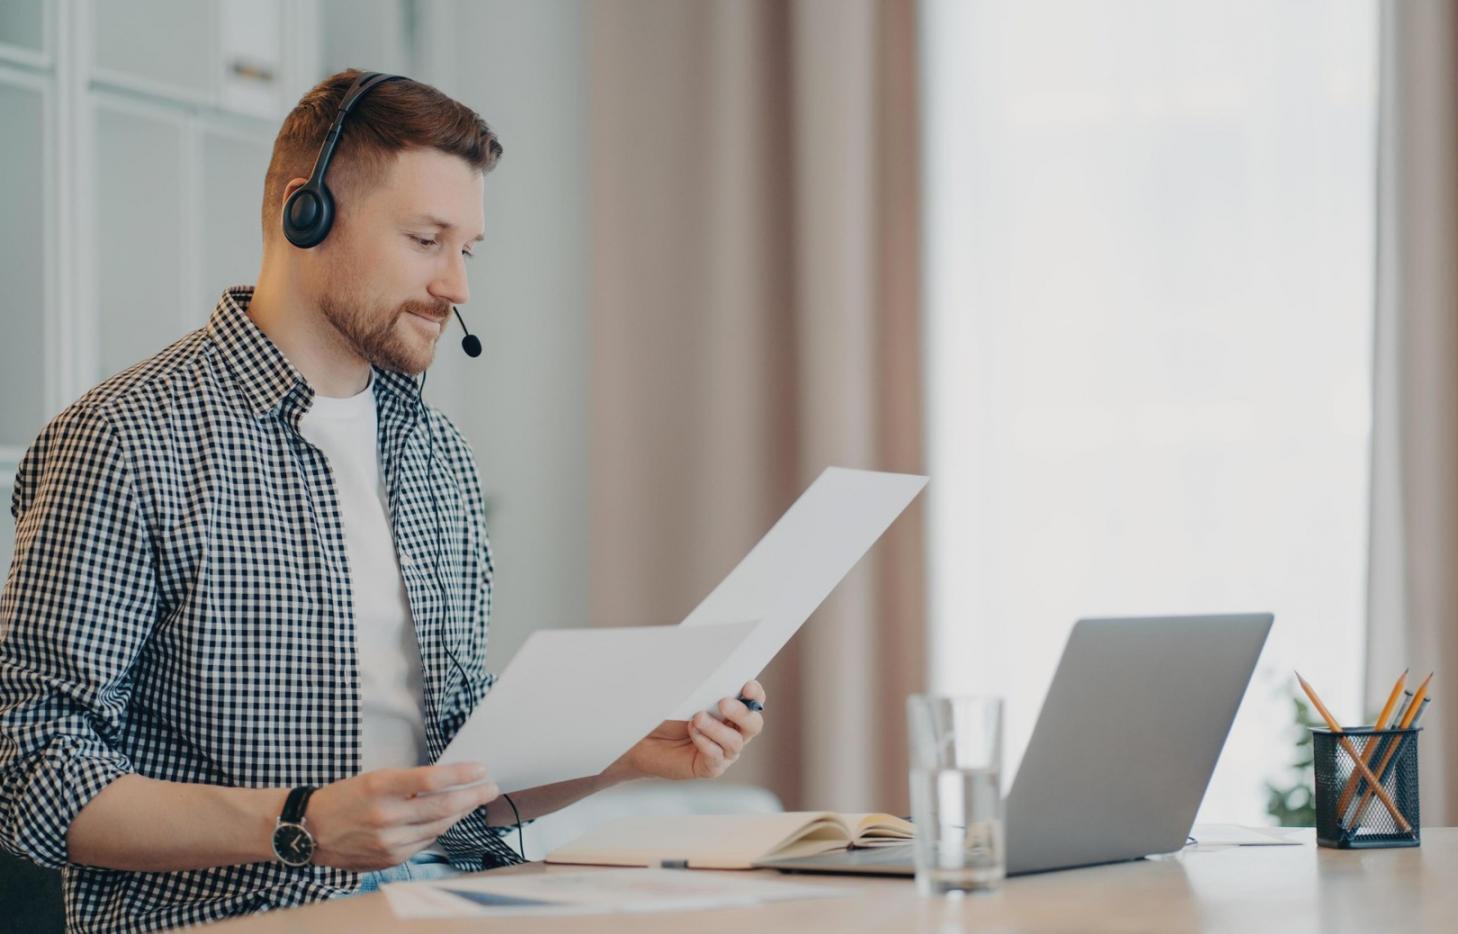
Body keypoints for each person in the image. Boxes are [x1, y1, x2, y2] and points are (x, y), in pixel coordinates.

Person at [0, 69, 766, 933]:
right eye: (425, 239)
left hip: (457, 900)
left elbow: (461, 778)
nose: (457, 286)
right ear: (308, 215)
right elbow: (30, 771)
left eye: (465, 249)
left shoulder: (436, 456)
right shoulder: (126, 440)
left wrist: (622, 753)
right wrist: (301, 825)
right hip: (250, 916)